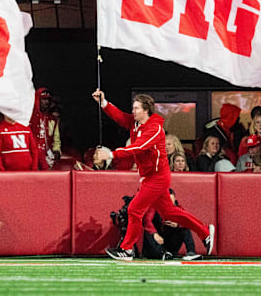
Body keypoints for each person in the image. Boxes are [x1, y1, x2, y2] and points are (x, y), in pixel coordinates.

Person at [92, 89, 214, 261]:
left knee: (134, 209)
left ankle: (126, 249)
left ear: (146, 110)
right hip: (150, 176)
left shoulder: (154, 129)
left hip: (157, 177)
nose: (132, 111)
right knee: (170, 212)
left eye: (136, 108)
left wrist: (111, 154)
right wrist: (103, 102)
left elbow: (138, 147)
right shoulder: (136, 123)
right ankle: (205, 232)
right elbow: (119, 116)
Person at [142, 189, 201, 261]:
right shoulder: (154, 206)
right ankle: (162, 253)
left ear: (175, 200)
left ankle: (191, 252)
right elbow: (147, 221)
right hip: (155, 247)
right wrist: (154, 233)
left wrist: (178, 224)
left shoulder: (178, 208)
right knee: (148, 231)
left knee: (184, 226)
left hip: (170, 245)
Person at [30, 88, 61, 170]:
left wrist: (57, 150)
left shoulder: (52, 119)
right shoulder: (29, 118)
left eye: (48, 99)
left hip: (47, 158)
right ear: (37, 100)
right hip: (31, 157)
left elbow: (56, 139)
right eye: (44, 99)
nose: (47, 102)